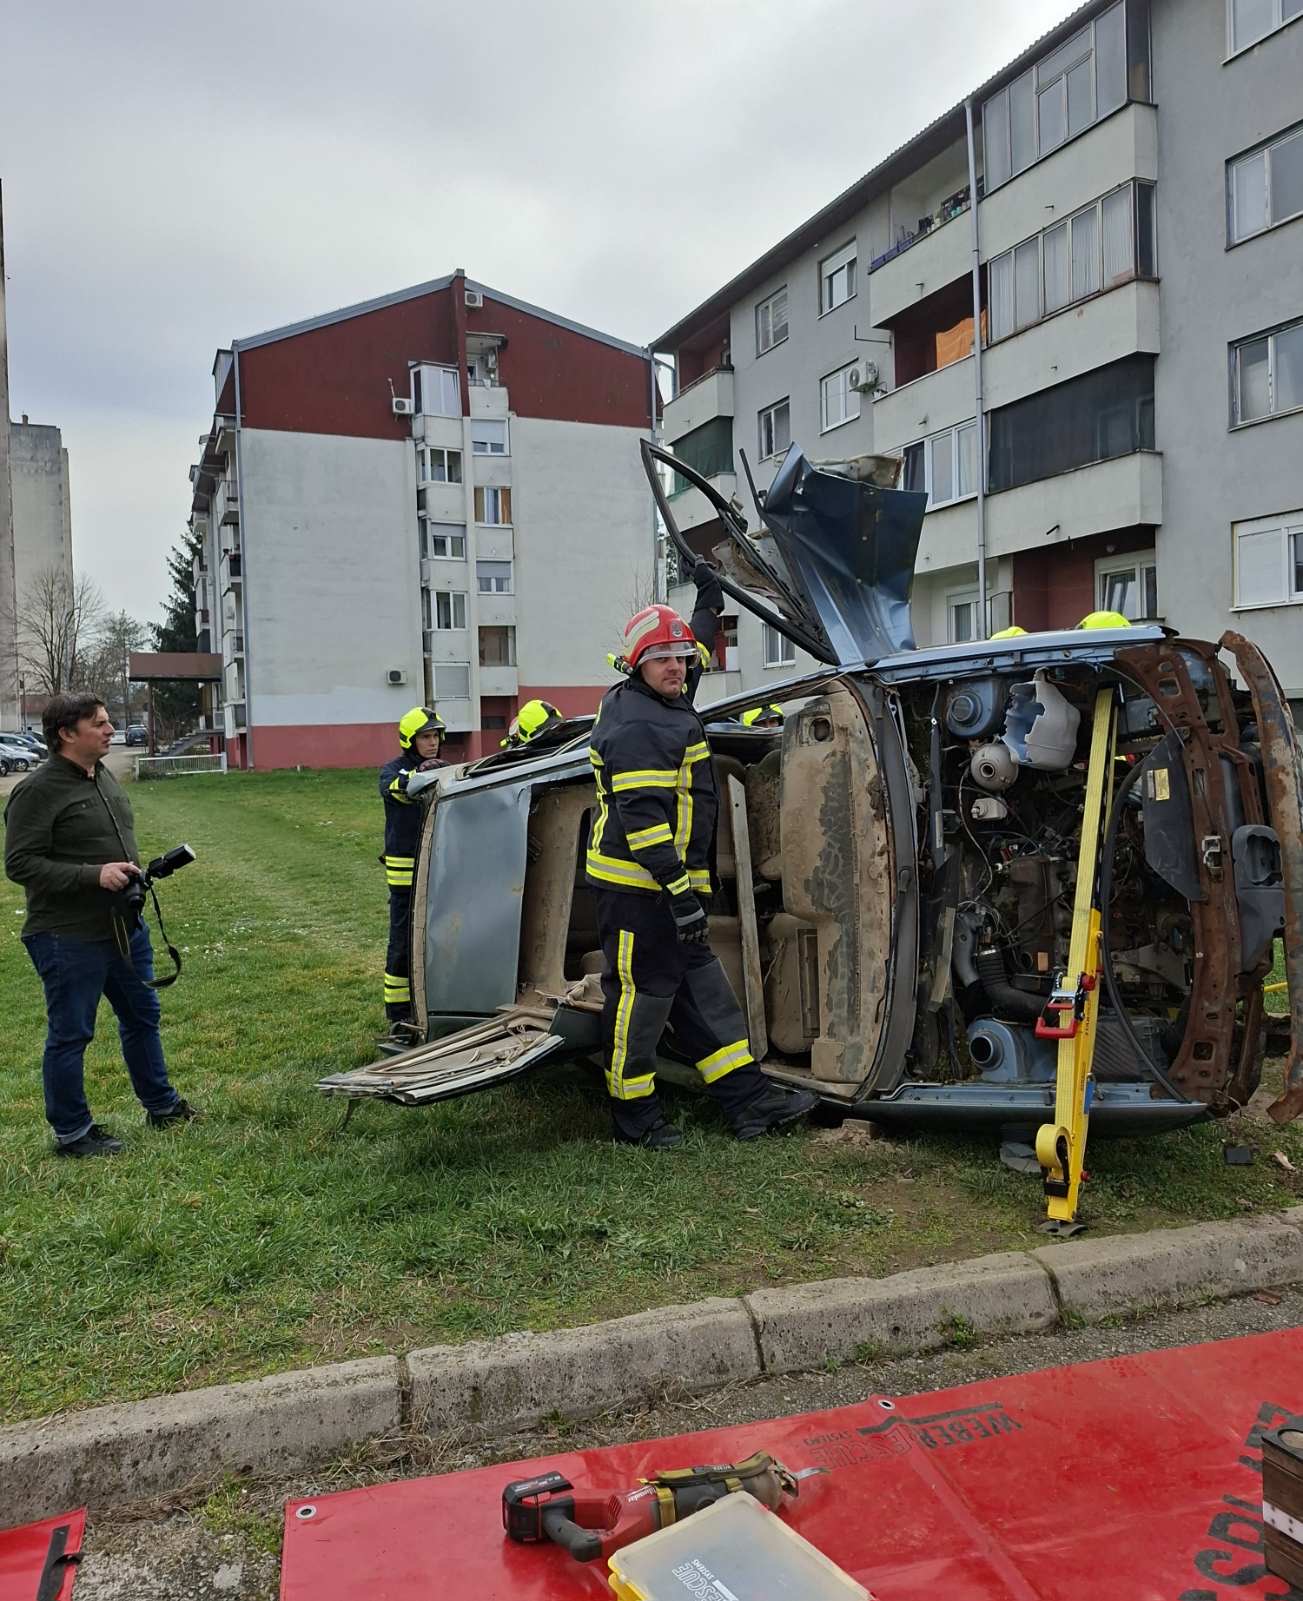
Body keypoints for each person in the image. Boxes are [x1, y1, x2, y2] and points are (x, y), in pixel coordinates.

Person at [586, 588, 819, 1149]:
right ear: (639, 665)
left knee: (704, 995)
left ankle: (747, 1101)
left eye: (684, 657)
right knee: (640, 1005)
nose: (679, 668)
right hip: (639, 893)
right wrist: (680, 894)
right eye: (664, 659)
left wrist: (707, 608)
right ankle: (633, 1115)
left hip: (669, 892)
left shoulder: (661, 697)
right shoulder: (640, 726)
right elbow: (644, 824)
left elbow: (681, 653)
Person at [3, 692, 197, 1157]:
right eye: (100, 724)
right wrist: (95, 874)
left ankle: (162, 1106)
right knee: (72, 1033)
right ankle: (72, 1133)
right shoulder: (37, 790)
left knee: (142, 1017)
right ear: (67, 734)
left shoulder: (102, 774)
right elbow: (20, 863)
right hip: (67, 936)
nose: (111, 730)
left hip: (123, 929)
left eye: (109, 722)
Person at [377, 706, 446, 1037]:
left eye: (435, 736)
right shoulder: (391, 771)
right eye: (425, 737)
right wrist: (422, 776)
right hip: (406, 878)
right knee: (403, 944)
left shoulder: (443, 767)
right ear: (410, 740)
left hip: (437, 870)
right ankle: (399, 1015)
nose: (432, 743)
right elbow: (398, 790)